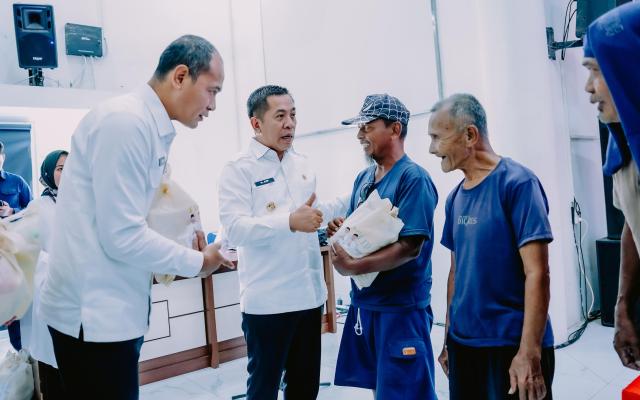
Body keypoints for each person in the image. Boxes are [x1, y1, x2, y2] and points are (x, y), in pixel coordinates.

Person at [38, 35, 232, 400]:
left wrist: (183, 239)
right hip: (93, 317)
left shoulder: (148, 127)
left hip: (116, 311)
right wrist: (197, 262)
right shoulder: (125, 123)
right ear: (180, 76)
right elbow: (121, 235)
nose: (213, 105)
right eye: (212, 91)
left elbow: (133, 216)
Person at [218, 85, 347, 400]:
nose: (290, 123)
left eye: (293, 115)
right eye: (280, 116)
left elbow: (311, 213)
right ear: (256, 123)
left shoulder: (301, 163)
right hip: (268, 303)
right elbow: (235, 229)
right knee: (263, 390)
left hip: (309, 298)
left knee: (304, 389)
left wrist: (350, 199)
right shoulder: (239, 168)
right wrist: (289, 222)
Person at [428, 94, 554, 400]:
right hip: (464, 345)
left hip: (510, 345)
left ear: (470, 135)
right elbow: (456, 273)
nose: (432, 149)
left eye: (437, 137)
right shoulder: (455, 199)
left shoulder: (518, 184)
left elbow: (537, 273)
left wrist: (529, 352)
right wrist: (448, 340)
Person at [328, 94, 438, 399]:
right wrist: (342, 230)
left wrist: (353, 266)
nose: (360, 135)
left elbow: (410, 246)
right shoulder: (364, 179)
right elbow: (362, 229)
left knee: (408, 392)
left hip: (400, 310)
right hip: (367, 305)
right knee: (383, 391)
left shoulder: (413, 179)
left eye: (368, 126)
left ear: (395, 129)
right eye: (359, 127)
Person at [581, 2, 640, 370]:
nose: (588, 88)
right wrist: (623, 305)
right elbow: (633, 222)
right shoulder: (623, 145)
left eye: (595, 71)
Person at [19, 150, 68, 399]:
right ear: (48, 173)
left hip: (78, 297)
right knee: (53, 366)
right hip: (50, 291)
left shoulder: (81, 204)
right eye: (60, 168)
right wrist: (61, 266)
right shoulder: (37, 208)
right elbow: (29, 251)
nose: (67, 173)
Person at [0, 140, 33, 352]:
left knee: (14, 304)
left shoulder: (17, 182)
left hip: (12, 254)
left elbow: (34, 213)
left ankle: (21, 350)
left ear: (3, 157)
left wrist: (12, 212)